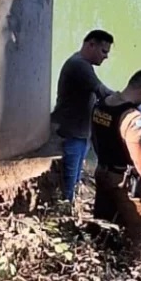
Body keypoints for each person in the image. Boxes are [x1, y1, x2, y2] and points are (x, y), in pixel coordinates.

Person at [91, 70, 141, 245]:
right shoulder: (133, 118)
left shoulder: (101, 105)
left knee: (104, 225)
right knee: (136, 231)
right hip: (125, 182)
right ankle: (134, 264)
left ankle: (105, 261)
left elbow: (95, 138)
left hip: (102, 170)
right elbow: (138, 157)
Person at [51, 30, 115, 201]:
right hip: (70, 134)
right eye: (104, 51)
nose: (106, 57)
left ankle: (70, 211)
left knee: (75, 180)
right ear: (90, 45)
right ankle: (66, 213)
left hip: (80, 134)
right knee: (68, 185)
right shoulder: (79, 65)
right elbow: (103, 92)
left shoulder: (83, 65)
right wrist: (130, 100)